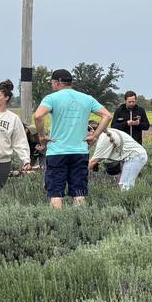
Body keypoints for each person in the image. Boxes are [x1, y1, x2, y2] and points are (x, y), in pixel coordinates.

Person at [34, 68, 112, 208]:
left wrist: (42, 136)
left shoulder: (51, 98)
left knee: (56, 193)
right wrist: (94, 136)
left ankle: (56, 221)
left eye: (52, 83)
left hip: (57, 151)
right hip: (80, 151)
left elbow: (38, 116)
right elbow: (107, 116)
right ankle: (79, 219)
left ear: (57, 82)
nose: (52, 85)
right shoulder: (87, 98)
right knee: (79, 193)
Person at [88, 123, 148, 190]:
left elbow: (93, 162)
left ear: (92, 131)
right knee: (124, 184)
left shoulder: (104, 138)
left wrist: (79, 172)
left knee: (125, 185)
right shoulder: (106, 132)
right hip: (131, 156)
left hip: (135, 156)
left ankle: (130, 196)